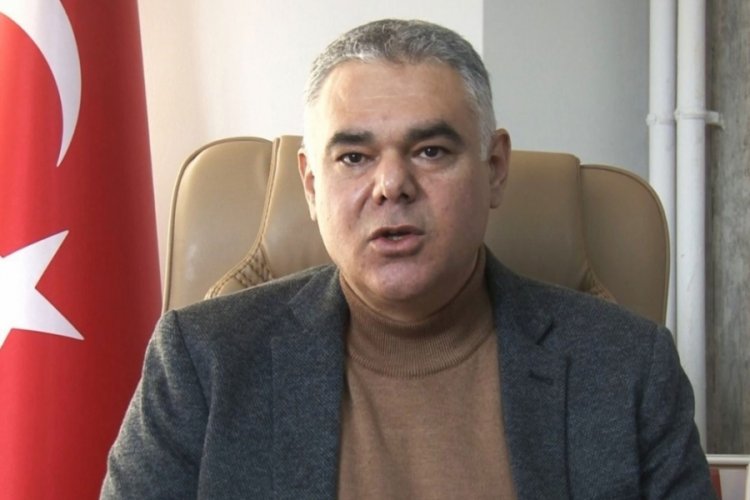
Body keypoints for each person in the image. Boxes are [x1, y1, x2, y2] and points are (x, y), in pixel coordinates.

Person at [101, 19, 715, 499]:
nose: (391, 185)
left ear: (495, 168)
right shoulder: (201, 363)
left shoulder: (630, 368)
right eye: (354, 157)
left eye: (430, 151)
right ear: (311, 185)